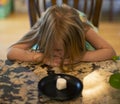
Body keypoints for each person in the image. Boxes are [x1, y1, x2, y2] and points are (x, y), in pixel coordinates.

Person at [7, 4, 116, 67]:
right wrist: (40, 57)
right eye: (55, 49)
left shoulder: (84, 29)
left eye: (66, 49)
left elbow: (110, 52)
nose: (61, 55)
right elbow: (12, 52)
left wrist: (79, 57)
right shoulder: (41, 30)